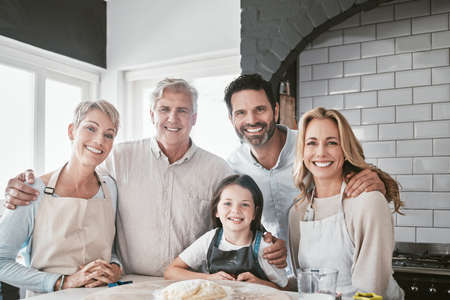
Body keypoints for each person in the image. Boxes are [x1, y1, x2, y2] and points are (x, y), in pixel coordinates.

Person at [3, 78, 287, 276]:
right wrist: (30, 184)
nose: (172, 118)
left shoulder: (219, 169)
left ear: (195, 118)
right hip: (128, 284)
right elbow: (77, 175)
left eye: (182, 111)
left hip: (189, 284)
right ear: (152, 114)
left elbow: (239, 220)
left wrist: (269, 246)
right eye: (164, 109)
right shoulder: (118, 157)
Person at [225, 74, 388, 246]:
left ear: (276, 111)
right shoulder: (232, 168)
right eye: (241, 113)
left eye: (260, 109)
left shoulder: (312, 148)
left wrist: (377, 181)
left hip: (329, 259)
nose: (252, 120)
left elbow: (357, 178)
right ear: (231, 119)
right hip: (273, 270)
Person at [0, 100, 122, 295]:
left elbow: (111, 249)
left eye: (109, 135)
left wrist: (115, 268)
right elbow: (1, 262)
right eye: (91, 128)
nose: (100, 140)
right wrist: (62, 282)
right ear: (72, 131)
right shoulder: (32, 190)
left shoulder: (110, 189)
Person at [288, 107, 404, 299]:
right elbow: (305, 283)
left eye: (332, 142)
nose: (321, 152)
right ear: (302, 151)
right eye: (312, 143)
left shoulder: (368, 201)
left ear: (345, 149)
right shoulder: (298, 211)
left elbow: (371, 290)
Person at [164, 174, 288, 289]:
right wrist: (209, 279)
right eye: (228, 203)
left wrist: (260, 284)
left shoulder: (265, 247)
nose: (235, 210)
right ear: (216, 210)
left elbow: (283, 289)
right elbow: (171, 272)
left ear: (255, 213)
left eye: (244, 205)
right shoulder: (210, 240)